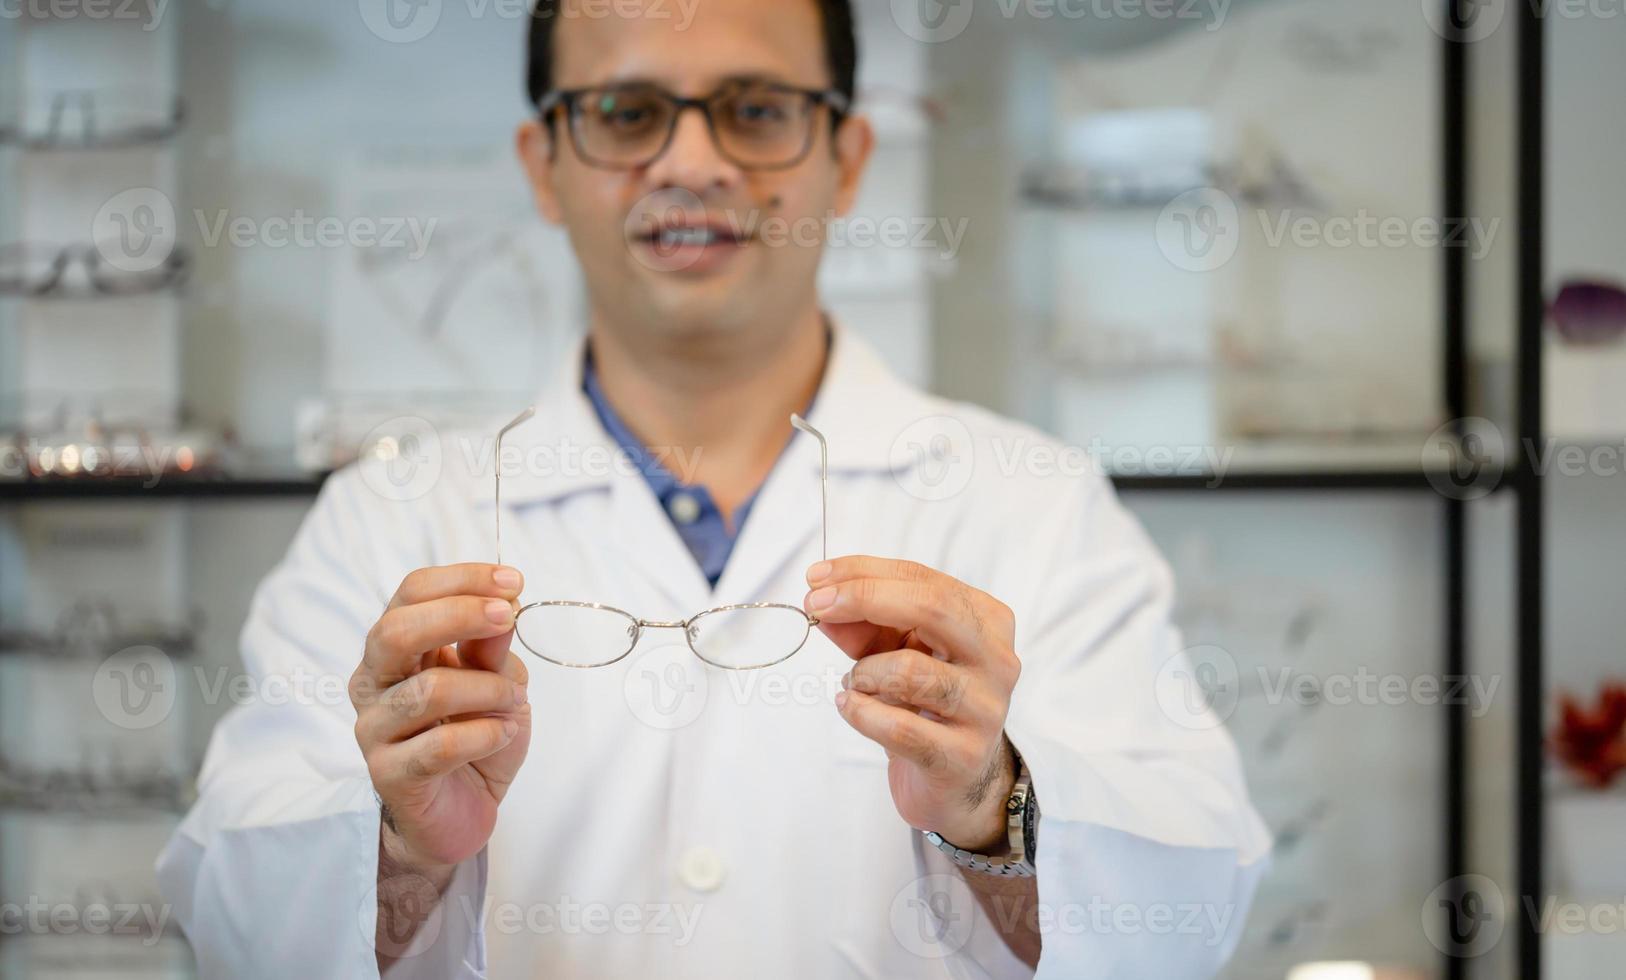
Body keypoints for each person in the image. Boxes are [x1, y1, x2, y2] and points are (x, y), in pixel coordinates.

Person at [157, 0, 1269, 976]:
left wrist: (994, 808)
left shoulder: (1035, 505)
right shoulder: (384, 523)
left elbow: (1189, 914)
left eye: (757, 107)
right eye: (628, 113)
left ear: (847, 156)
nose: (693, 163)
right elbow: (238, 928)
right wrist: (401, 846)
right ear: (544, 164)